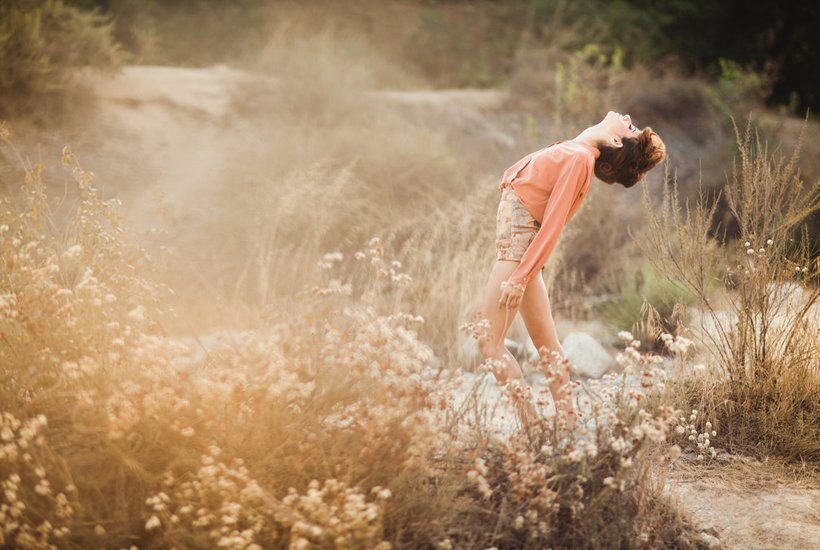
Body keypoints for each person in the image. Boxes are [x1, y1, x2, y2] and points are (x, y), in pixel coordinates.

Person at [476, 111, 666, 427]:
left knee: (488, 342)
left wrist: (520, 277)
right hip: (519, 251)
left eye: (630, 127)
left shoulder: (578, 158)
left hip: (517, 251)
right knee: (547, 345)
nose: (628, 117)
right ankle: (567, 423)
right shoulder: (577, 150)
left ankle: (533, 428)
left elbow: (552, 226)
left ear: (616, 140)